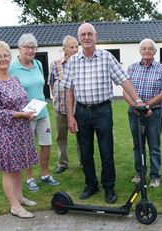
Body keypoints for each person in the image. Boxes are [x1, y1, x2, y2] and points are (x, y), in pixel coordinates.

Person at [62, 23, 145, 204]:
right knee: (86, 154)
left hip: (103, 111)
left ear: (95, 36)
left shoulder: (107, 57)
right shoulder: (72, 61)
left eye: (89, 34)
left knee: (106, 152)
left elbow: (124, 80)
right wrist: (70, 116)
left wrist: (138, 100)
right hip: (81, 112)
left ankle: (109, 188)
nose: (86, 37)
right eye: (82, 34)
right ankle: (91, 185)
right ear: (79, 38)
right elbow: (69, 91)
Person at [0, 40, 38, 219]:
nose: (3, 59)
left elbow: (22, 101)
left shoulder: (14, 79)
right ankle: (14, 206)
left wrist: (30, 111)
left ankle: (20, 197)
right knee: (9, 169)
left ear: (10, 57)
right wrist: (22, 115)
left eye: (5, 55)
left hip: (21, 130)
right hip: (6, 133)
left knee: (19, 166)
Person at [9, 33, 60, 191]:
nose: (31, 50)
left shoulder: (38, 64)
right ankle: (30, 178)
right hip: (25, 115)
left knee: (46, 144)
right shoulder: (12, 68)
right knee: (27, 147)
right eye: (27, 47)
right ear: (20, 49)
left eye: (33, 47)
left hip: (42, 111)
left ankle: (45, 175)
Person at [124, 38, 162, 188]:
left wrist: (146, 106)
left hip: (154, 115)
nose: (147, 51)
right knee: (138, 145)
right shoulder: (131, 68)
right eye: (144, 48)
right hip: (135, 113)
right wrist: (136, 107)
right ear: (140, 51)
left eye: (150, 49)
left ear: (155, 52)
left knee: (154, 146)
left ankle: (155, 176)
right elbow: (125, 90)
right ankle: (140, 173)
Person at [48, 35, 82, 173]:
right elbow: (51, 83)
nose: (75, 49)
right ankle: (63, 163)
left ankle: (83, 162)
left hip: (78, 108)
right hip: (60, 107)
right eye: (71, 47)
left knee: (81, 137)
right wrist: (56, 97)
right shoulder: (55, 64)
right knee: (61, 136)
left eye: (76, 46)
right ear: (64, 49)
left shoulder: (81, 63)